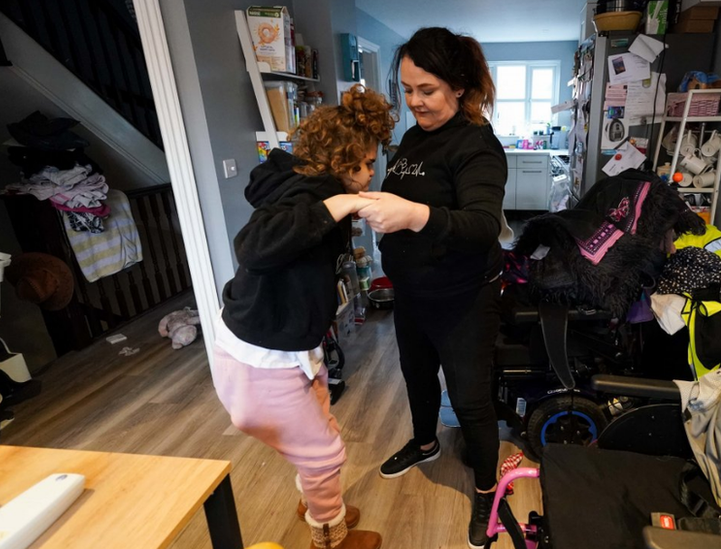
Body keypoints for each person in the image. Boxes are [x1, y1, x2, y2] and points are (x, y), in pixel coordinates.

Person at [212, 85, 394, 549]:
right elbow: (255, 245)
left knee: (320, 421)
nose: (372, 173)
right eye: (367, 164)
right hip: (263, 356)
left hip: (286, 344)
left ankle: (315, 500)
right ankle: (328, 534)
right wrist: (344, 204)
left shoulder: (310, 186)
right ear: (339, 162)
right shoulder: (310, 196)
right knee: (324, 453)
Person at [356, 27, 506, 549]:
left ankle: (487, 487)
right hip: (413, 293)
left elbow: (484, 225)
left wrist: (414, 214)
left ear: (460, 86)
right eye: (408, 89)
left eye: (427, 90)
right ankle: (424, 444)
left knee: (470, 400)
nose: (414, 101)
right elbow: (409, 195)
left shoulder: (477, 146)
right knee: (416, 375)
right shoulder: (413, 140)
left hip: (463, 297)